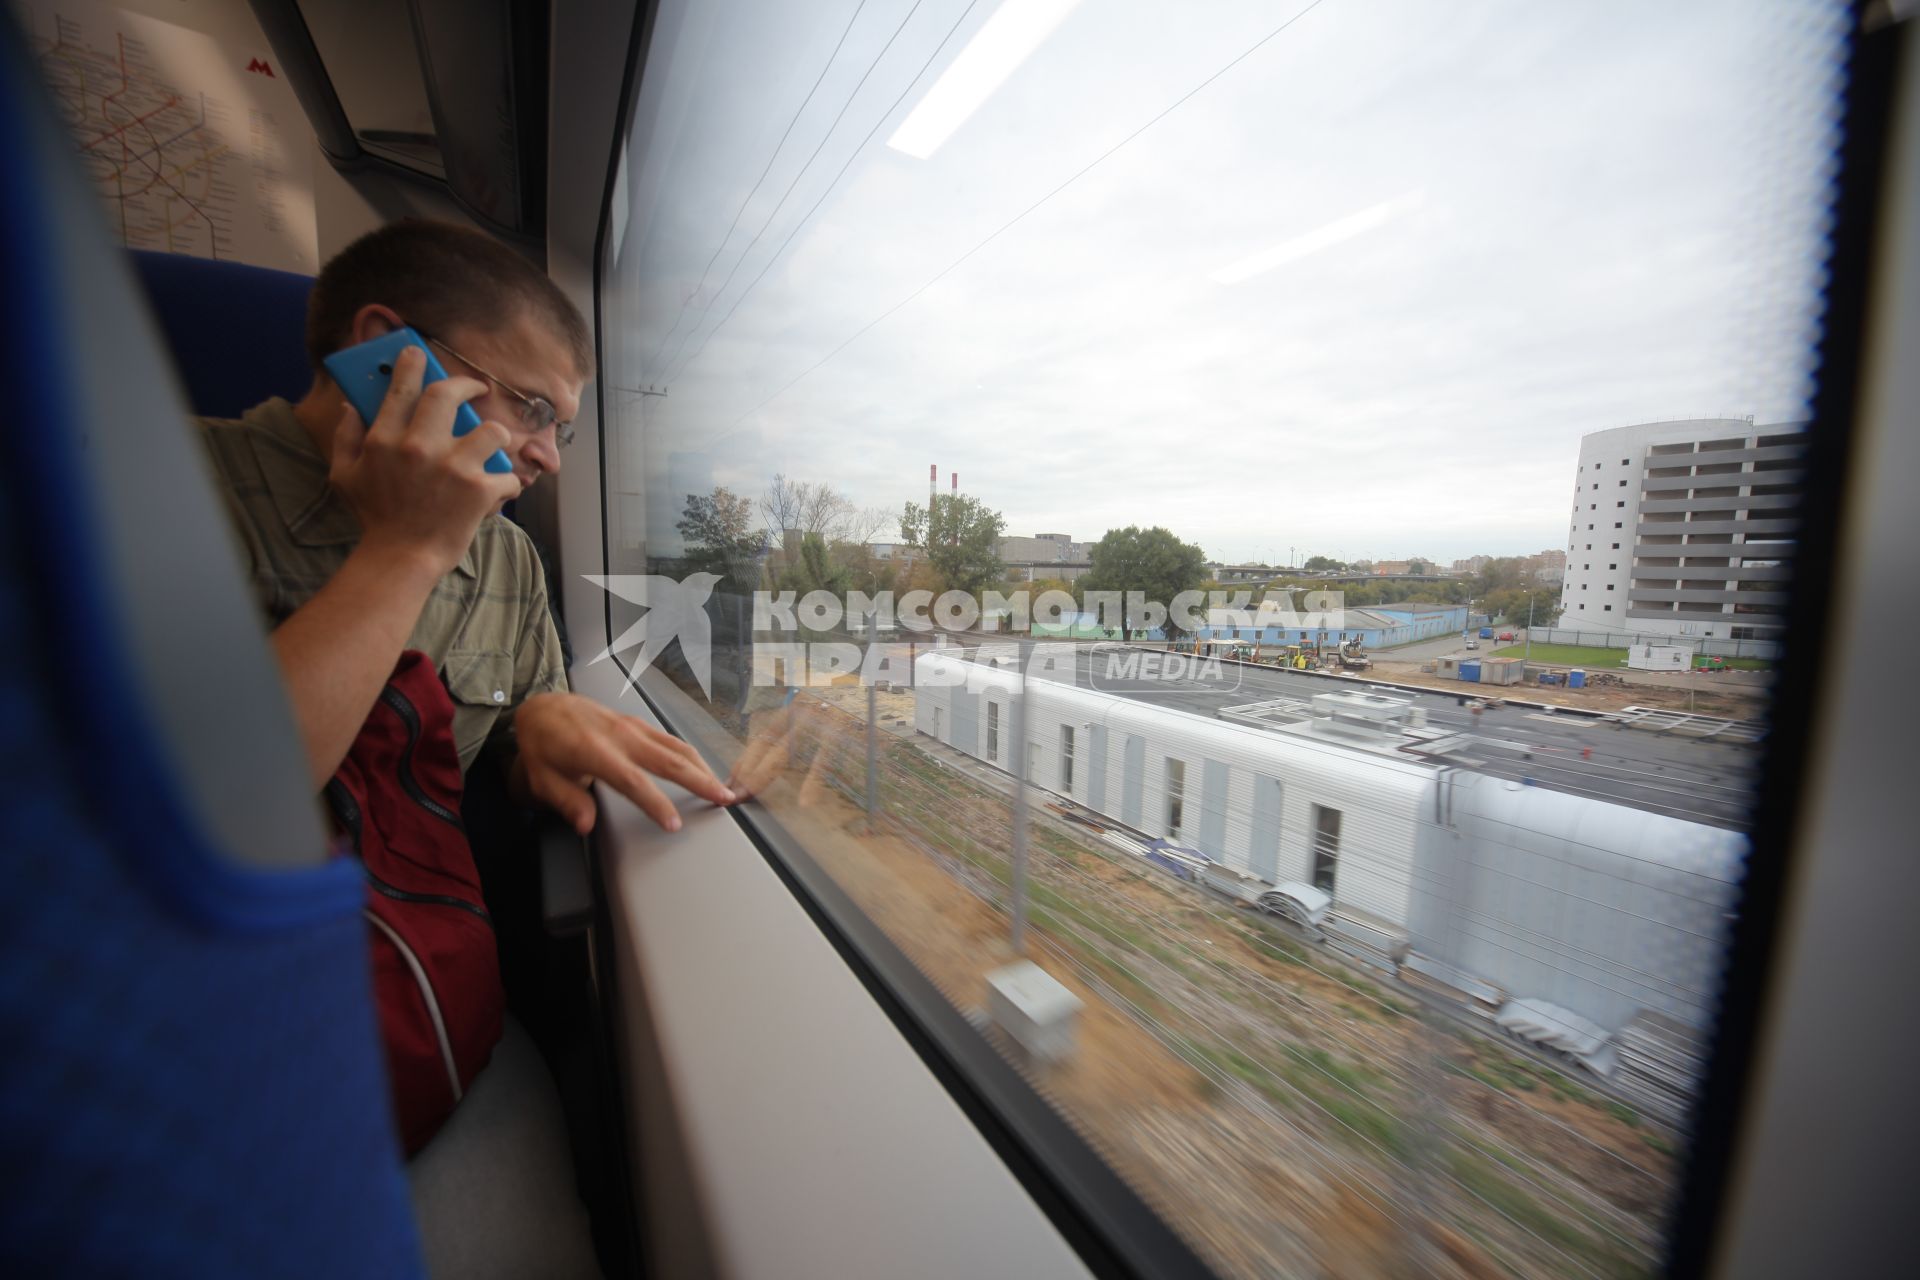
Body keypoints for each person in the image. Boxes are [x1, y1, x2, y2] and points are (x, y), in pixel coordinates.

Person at [199, 218, 734, 830]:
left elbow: (509, 747)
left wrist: (538, 733)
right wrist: (406, 548)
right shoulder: (144, 482)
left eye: (560, 429)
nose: (550, 458)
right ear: (391, 358)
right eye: (531, 408)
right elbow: (201, 810)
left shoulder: (507, 555)